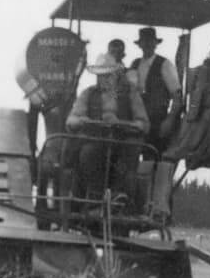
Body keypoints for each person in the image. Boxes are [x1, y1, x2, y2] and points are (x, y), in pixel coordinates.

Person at [66, 52, 148, 201]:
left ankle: (120, 196)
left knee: (129, 152)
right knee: (87, 153)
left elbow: (143, 124)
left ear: (116, 74)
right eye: (100, 75)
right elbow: (71, 120)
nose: (103, 79)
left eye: (107, 75)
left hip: (122, 143)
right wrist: (81, 121)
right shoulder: (88, 94)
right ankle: (93, 199)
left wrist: (121, 123)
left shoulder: (131, 94)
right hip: (95, 141)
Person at [128, 27, 182, 158]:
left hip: (157, 121)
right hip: (135, 120)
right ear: (140, 45)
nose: (147, 45)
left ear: (155, 44)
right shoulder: (134, 64)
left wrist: (169, 120)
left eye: (150, 41)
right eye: (144, 42)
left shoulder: (165, 64)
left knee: (152, 159)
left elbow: (177, 97)